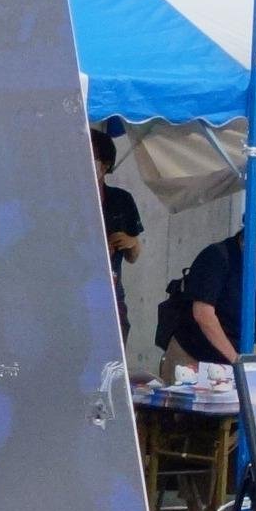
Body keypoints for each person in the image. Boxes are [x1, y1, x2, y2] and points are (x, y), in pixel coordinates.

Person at [164, 211, 256, 379]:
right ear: (249, 237)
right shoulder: (217, 257)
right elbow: (203, 314)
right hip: (193, 356)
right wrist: (236, 360)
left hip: (232, 359)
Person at [95, 124, 144, 345]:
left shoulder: (121, 200)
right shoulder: (63, 200)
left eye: (93, 158)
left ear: (105, 165)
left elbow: (133, 256)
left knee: (115, 347)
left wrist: (131, 242)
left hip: (112, 291)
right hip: (72, 292)